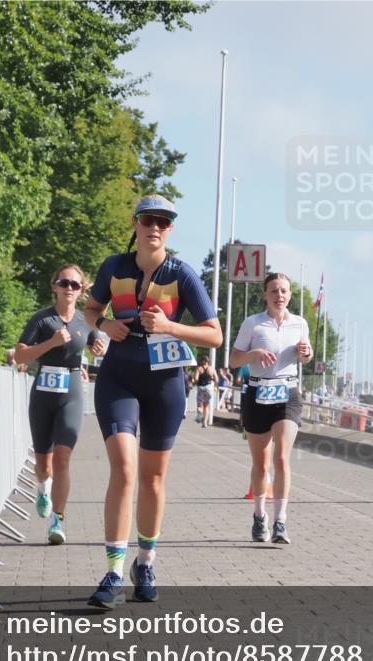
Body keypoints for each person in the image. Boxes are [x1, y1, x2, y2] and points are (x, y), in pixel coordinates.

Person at [83, 195, 221, 608]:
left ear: (170, 230)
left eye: (163, 222)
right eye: (148, 220)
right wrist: (106, 323)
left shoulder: (182, 274)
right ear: (136, 223)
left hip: (164, 382)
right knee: (124, 471)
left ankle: (146, 562)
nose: (155, 227)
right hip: (119, 376)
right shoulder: (114, 267)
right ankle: (112, 572)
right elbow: (90, 310)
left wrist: (170, 325)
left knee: (153, 479)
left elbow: (214, 334)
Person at [14, 264, 107, 544]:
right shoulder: (42, 320)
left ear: (81, 291)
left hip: (72, 391)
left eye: (75, 285)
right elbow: (20, 356)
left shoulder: (85, 320)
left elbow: (95, 341)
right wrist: (51, 343)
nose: (69, 288)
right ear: (54, 286)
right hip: (43, 391)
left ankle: (58, 520)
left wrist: (97, 346)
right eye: (64, 283)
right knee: (44, 463)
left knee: (63, 456)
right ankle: (43, 487)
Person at [230, 272, 313, 545]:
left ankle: (281, 521)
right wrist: (252, 355)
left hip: (287, 393)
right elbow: (233, 360)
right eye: (274, 290)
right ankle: (259, 516)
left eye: (284, 291)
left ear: (290, 295)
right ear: (265, 294)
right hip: (258, 392)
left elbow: (306, 356)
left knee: (281, 459)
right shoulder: (253, 324)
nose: (280, 295)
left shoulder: (299, 324)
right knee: (261, 463)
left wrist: (305, 353)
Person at [193, 356, 217, 427]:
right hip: (209, 388)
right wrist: (213, 382)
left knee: (200, 404)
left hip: (201, 387)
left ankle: (199, 414)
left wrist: (196, 379)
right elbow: (217, 379)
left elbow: (196, 378)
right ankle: (205, 423)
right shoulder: (212, 369)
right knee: (206, 405)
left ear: (202, 361)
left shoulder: (199, 368)